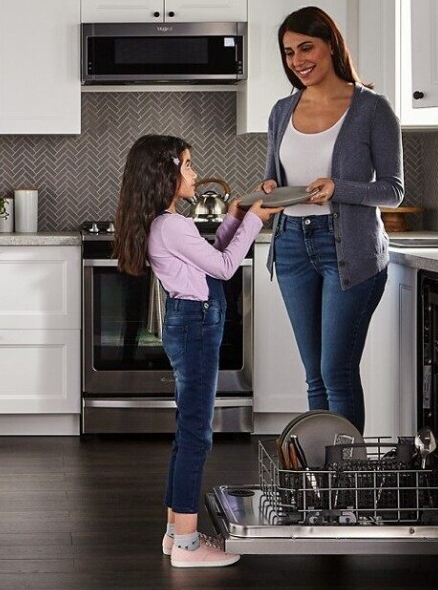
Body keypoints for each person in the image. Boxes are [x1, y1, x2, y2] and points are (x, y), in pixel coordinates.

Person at [113, 134, 280, 568]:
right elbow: (225, 267)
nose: (193, 172)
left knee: (188, 432)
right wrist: (256, 221)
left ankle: (175, 533)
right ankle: (188, 547)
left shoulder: (168, 223)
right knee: (195, 436)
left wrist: (236, 216)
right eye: (187, 165)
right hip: (195, 325)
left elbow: (211, 254)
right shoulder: (172, 225)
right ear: (165, 173)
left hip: (191, 322)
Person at [260, 6, 404, 434]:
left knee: (336, 372)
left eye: (306, 47)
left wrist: (338, 188)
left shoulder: (372, 108)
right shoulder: (281, 111)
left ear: (330, 46)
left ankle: (347, 487)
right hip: (290, 247)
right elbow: (273, 177)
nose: (298, 60)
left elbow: (393, 191)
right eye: (288, 52)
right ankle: (321, 486)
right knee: (315, 376)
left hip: (350, 251)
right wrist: (269, 190)